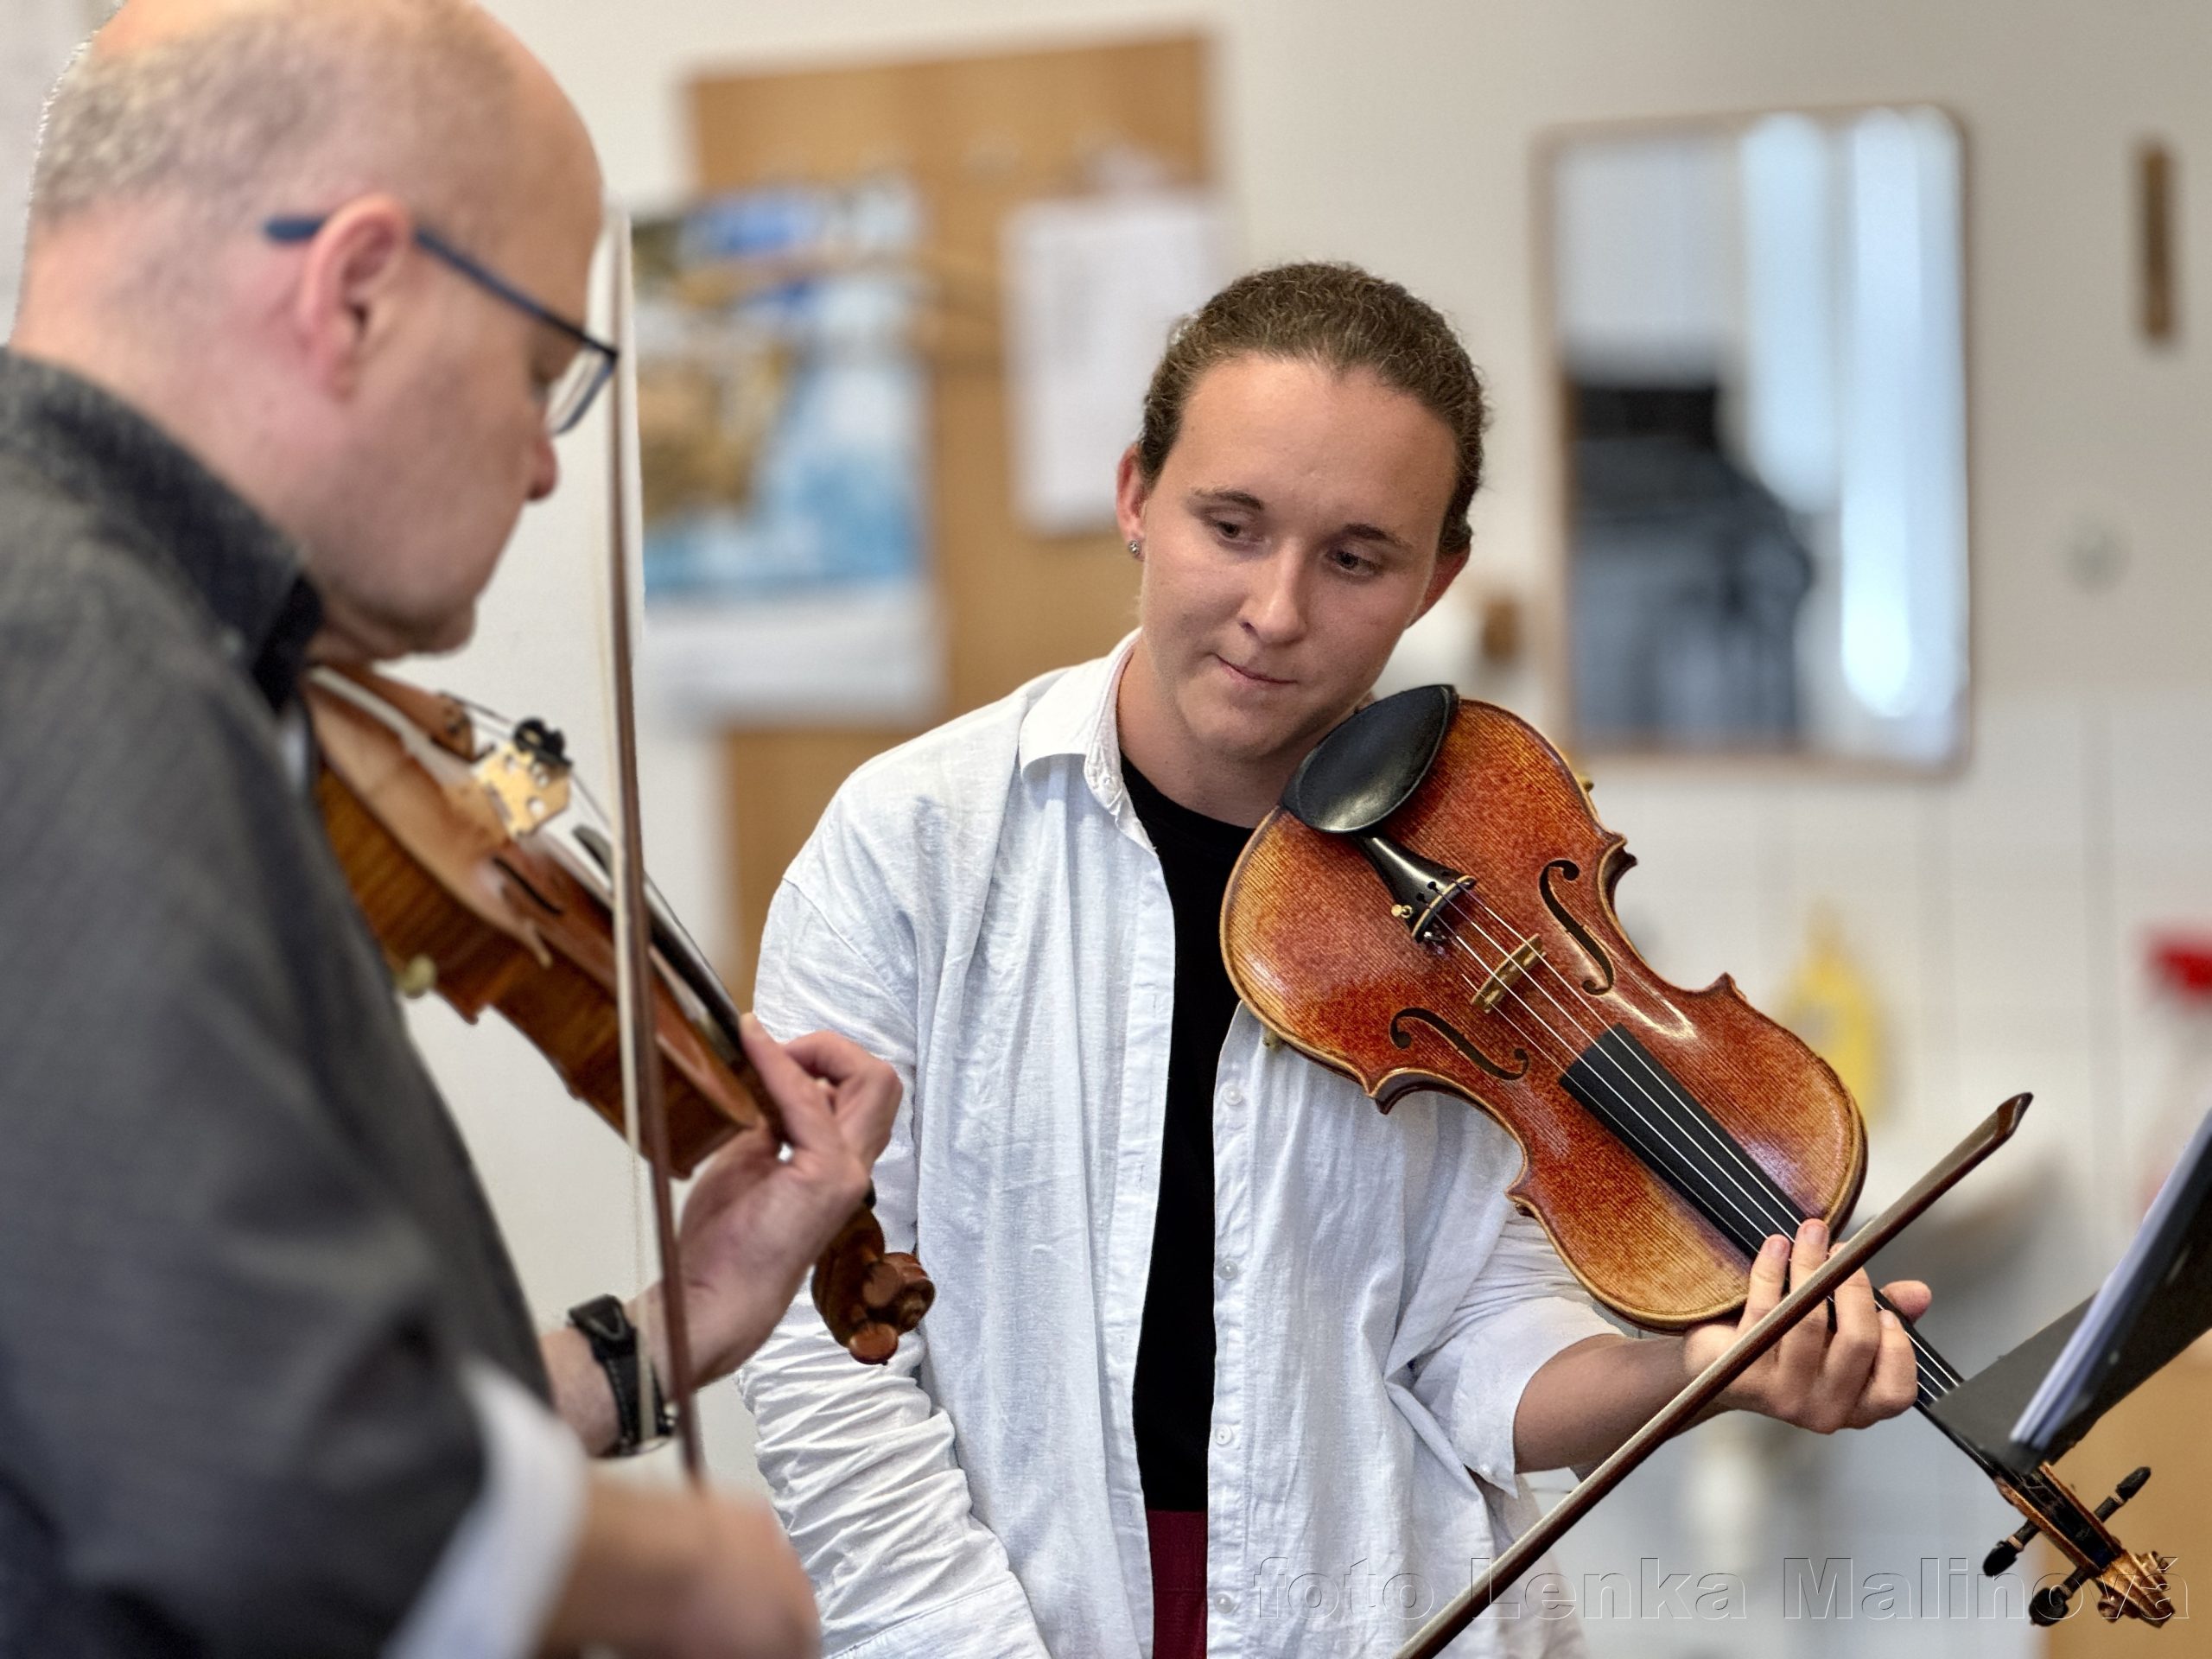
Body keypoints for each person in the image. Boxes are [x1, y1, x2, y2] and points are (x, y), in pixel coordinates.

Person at [736, 262, 1935, 1657]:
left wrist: (1694, 1374)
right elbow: (819, 1331)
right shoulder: (915, 842)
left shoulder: (1492, 871)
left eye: (1356, 559)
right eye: (1230, 526)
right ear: (1136, 496)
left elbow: (1477, 1340)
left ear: (1437, 578)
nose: (1276, 610)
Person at [0, 2, 898, 1654]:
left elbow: (127, 1387)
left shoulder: (130, 634)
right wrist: (686, 1577)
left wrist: (660, 1338)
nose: (547, 468)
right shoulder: (63, 638)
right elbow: (248, 1481)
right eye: (544, 375)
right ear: (355, 291)